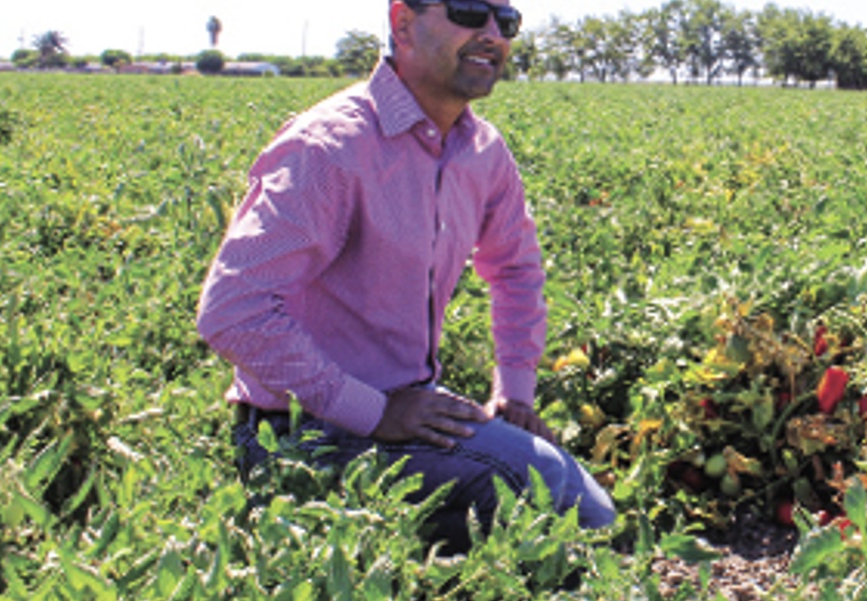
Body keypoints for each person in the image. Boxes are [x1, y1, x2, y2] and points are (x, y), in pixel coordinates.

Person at [195, 0, 615, 554]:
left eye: (505, 22)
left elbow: (515, 268)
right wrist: (375, 411)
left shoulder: (482, 152)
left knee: (591, 510)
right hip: (297, 431)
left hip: (410, 405)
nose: (491, 34)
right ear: (402, 22)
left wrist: (513, 394)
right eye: (469, 11)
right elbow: (232, 309)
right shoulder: (330, 147)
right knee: (554, 510)